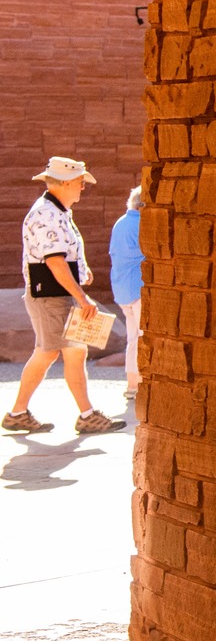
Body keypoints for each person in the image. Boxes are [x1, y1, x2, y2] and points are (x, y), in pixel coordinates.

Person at [4, 157, 125, 436]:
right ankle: (79, 415)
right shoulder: (47, 213)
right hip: (51, 296)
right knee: (49, 352)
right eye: (81, 182)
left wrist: (81, 272)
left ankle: (25, 413)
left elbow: (62, 256)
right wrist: (82, 296)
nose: (83, 186)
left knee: (67, 352)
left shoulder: (57, 210)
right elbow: (54, 261)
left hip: (56, 295)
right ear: (66, 182)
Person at [110, 186, 144, 401]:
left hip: (122, 289)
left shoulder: (120, 223)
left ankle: (133, 383)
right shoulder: (141, 224)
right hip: (138, 286)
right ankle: (141, 383)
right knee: (142, 337)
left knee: (134, 338)